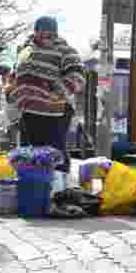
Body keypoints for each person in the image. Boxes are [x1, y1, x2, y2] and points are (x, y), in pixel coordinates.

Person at [8, 16, 84, 176]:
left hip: (54, 112)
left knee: (54, 152)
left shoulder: (65, 50)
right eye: (40, 30)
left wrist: (54, 92)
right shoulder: (25, 50)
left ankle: (58, 188)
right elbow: (15, 74)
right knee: (29, 154)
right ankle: (33, 187)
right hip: (27, 110)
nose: (44, 34)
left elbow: (77, 77)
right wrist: (11, 91)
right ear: (36, 31)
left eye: (49, 32)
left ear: (55, 32)